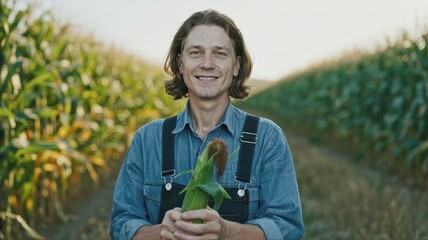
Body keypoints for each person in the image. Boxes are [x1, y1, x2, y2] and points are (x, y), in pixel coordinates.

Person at [110, 9, 304, 240]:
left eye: (220, 54)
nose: (207, 64)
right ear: (181, 64)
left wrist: (227, 232)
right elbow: (121, 224)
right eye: (196, 52)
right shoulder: (147, 140)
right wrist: (160, 232)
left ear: (236, 66)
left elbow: (288, 227)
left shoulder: (267, 138)